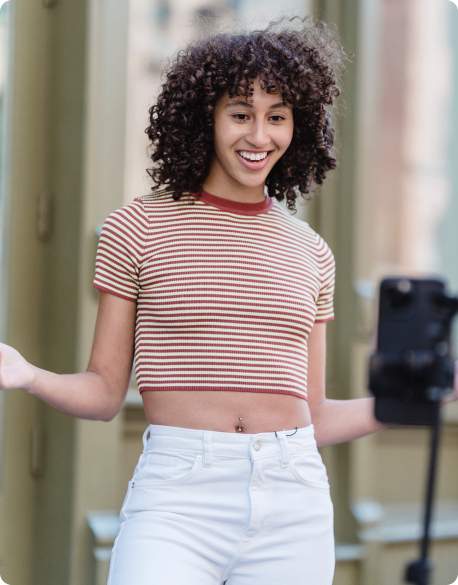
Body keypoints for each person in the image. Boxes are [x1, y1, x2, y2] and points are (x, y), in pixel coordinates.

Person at [1, 15, 457, 585]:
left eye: (278, 117)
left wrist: (421, 396)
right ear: (205, 119)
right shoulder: (138, 227)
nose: (259, 136)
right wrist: (26, 374)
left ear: (301, 127)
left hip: (294, 498)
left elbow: (311, 415)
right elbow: (102, 393)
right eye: (240, 115)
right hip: (176, 498)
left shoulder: (312, 252)